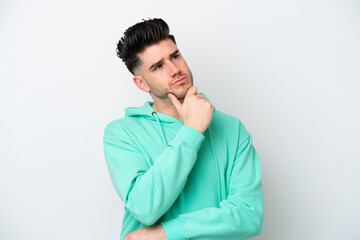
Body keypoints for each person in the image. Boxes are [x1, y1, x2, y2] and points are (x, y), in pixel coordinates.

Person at [103, 18, 264, 240]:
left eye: (175, 56)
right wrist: (192, 130)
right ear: (142, 83)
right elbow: (145, 208)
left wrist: (165, 233)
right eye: (157, 66)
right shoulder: (122, 133)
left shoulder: (231, 129)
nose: (175, 69)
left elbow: (249, 216)